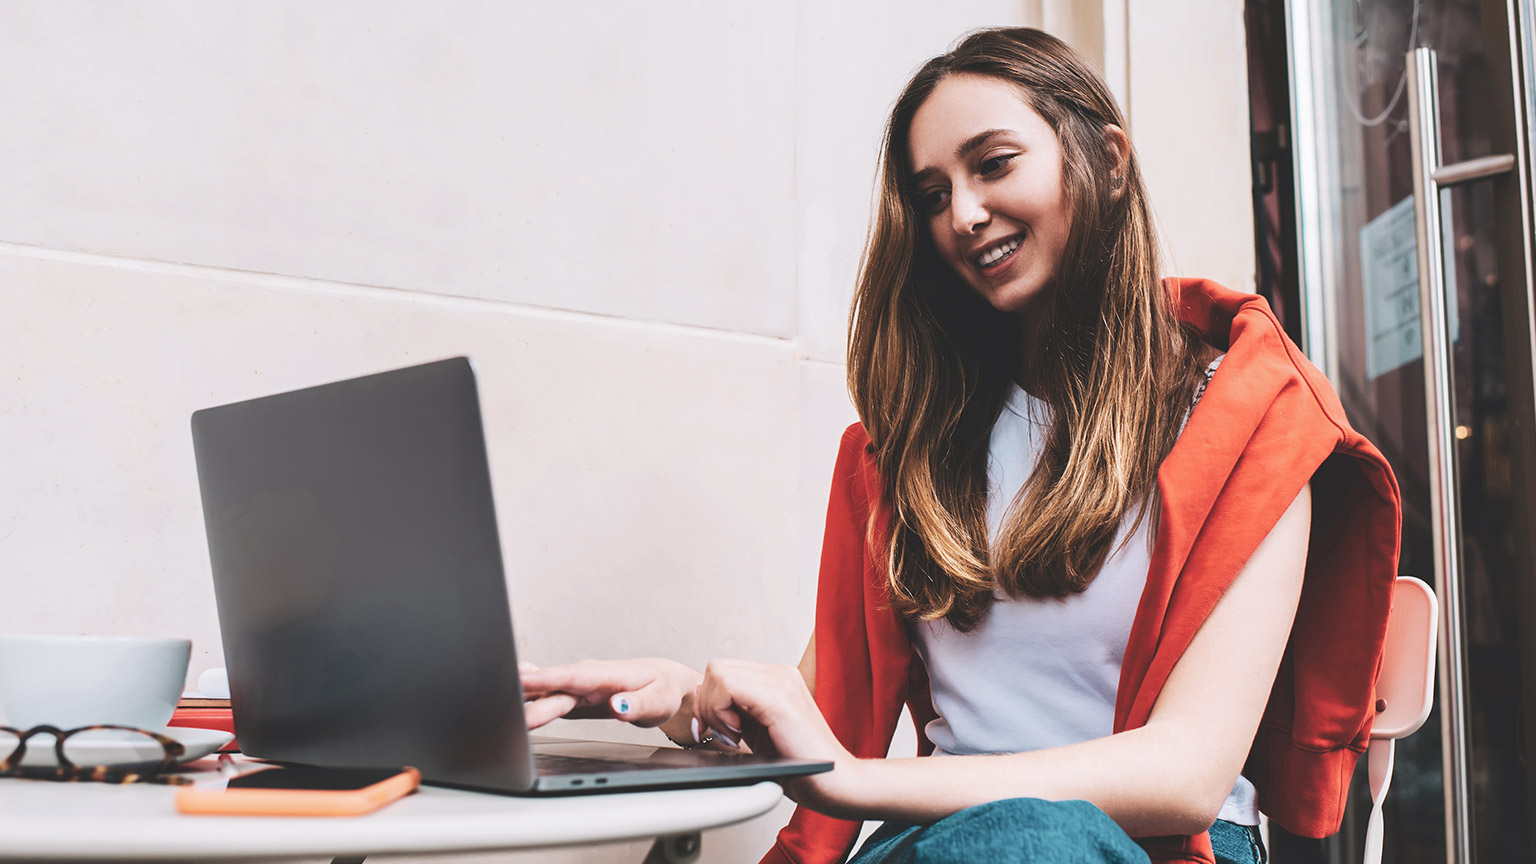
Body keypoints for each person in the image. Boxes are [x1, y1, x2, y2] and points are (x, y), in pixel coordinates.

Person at [521, 27, 1400, 864]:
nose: (965, 214)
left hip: (1158, 848)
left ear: (1109, 161)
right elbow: (823, 714)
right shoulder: (911, 451)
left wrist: (861, 784)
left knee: (1030, 841)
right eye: (933, 194)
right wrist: (683, 701)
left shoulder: (1256, 419)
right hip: (934, 843)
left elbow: (1185, 778)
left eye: (993, 164)